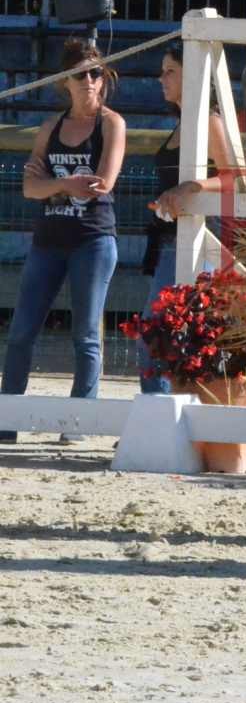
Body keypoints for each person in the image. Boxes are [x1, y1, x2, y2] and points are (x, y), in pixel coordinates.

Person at [1, 41, 126, 443]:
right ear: (65, 82)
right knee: (22, 331)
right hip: (48, 240)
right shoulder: (50, 128)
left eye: (96, 73)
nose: (89, 81)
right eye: (80, 74)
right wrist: (65, 184)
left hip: (92, 239)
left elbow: (102, 184)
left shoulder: (110, 124)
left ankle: (77, 423)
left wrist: (53, 185)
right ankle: (7, 418)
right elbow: (29, 189)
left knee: (86, 334)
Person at [140, 43, 238, 393]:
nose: (161, 78)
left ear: (191, 75)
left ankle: (162, 419)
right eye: (162, 71)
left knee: (159, 334)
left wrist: (192, 187)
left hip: (196, 240)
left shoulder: (209, 120)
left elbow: (233, 177)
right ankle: (163, 417)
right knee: (160, 335)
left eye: (170, 71)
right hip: (167, 238)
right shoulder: (182, 121)